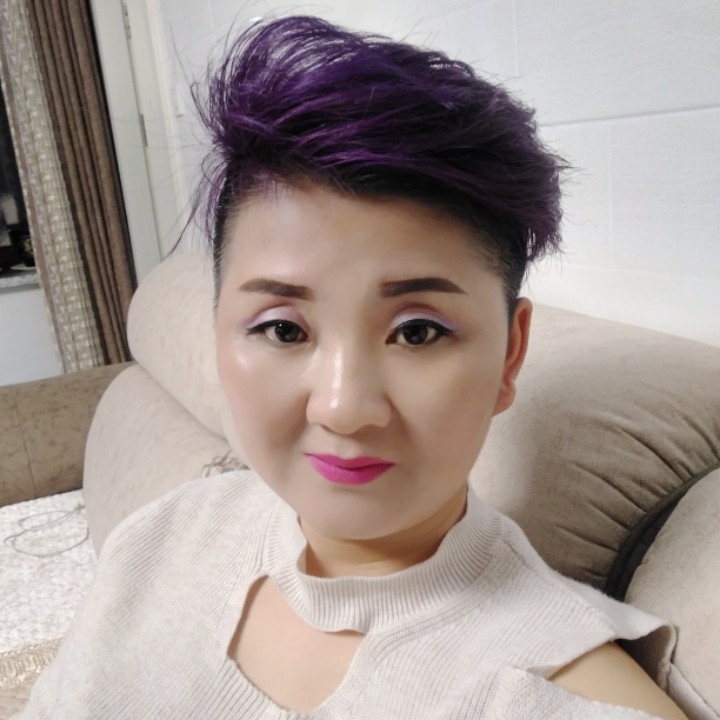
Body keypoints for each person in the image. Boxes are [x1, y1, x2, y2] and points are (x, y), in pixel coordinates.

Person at [15, 15, 688, 720]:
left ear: (509, 355)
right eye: (283, 328)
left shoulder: (559, 696)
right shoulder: (161, 537)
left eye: (417, 332)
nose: (342, 406)